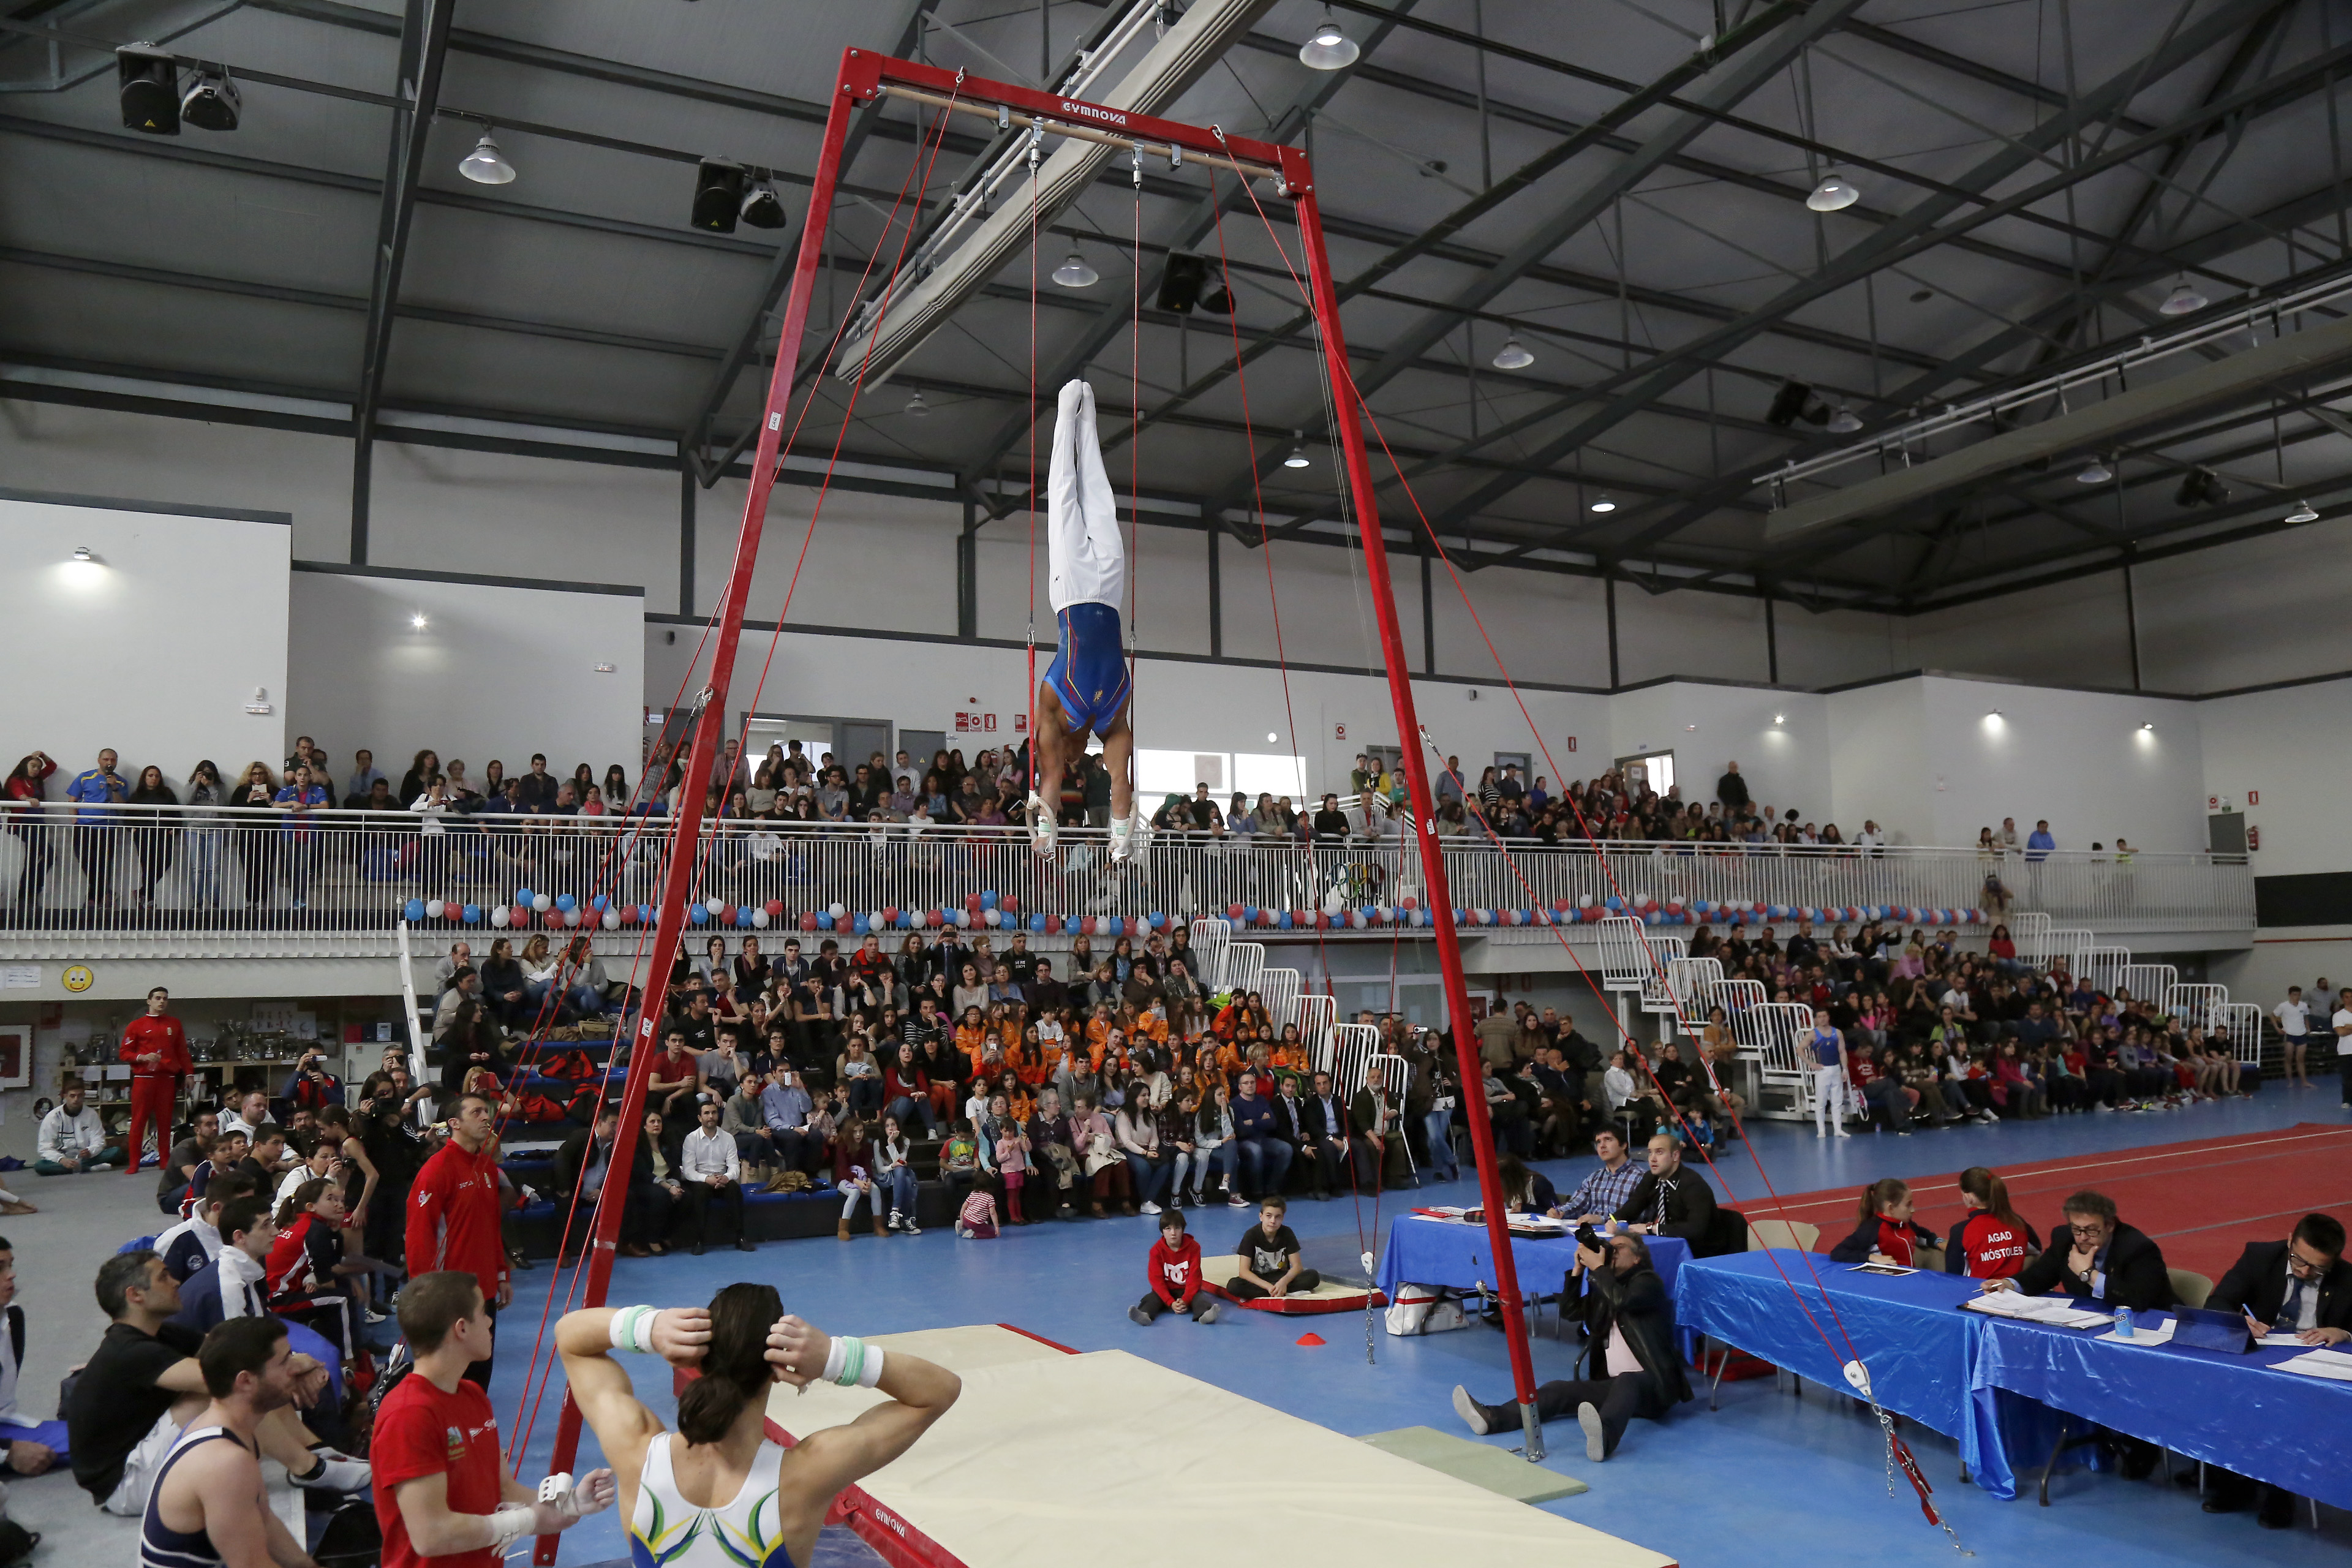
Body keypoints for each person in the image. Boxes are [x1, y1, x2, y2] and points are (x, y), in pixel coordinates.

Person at [554, 1285, 959, 1568]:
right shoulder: (808, 1472)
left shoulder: (635, 1450)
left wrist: (650, 1327)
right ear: (779, 1368)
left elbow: (570, 1337)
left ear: (697, 1359)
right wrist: (834, 1358)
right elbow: (938, 1392)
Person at [67, 1250, 365, 1516]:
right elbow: (230, 1376)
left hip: (145, 1453)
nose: (176, 1282)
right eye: (164, 1277)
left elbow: (240, 1352)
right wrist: (297, 1365)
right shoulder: (128, 1350)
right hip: (126, 1484)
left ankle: (314, 1449)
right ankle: (307, 1468)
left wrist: (295, 1362)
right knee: (235, 1386)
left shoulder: (161, 1333)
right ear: (135, 1295)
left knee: (242, 1369)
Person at [377, 1272, 616, 1568]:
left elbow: (504, 1490)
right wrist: (527, 1520)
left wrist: (571, 1504)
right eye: (483, 1313)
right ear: (461, 1328)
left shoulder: (472, 1395)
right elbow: (432, 1535)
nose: (490, 1322)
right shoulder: (409, 1416)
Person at [1027, 380, 1144, 864]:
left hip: (1072, 591)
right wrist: (1121, 836)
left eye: (1070, 759)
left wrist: (1045, 831)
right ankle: (1090, 416)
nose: (1074, 761)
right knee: (1099, 497)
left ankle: (1065, 413)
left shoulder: (1053, 712)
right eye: (1079, 760)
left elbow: (1050, 776)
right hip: (1111, 594)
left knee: (1063, 499)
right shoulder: (1114, 718)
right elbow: (1121, 781)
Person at [1451, 1229, 1690, 1459]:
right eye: (1610, 1247)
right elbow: (1571, 1311)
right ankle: (1493, 1418)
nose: (1612, 1251)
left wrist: (1598, 1269)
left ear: (1638, 1258)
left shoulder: (1648, 1282)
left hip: (1655, 1387)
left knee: (1629, 1380)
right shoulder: (1605, 1287)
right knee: (1558, 1390)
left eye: (1619, 1247)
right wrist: (1578, 1272)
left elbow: (1622, 1300)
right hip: (1614, 1386)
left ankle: (1604, 1439)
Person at [2194, 1213, 2352, 1525]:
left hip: (2309, 1367)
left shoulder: (2348, 1278)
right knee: (2226, 1392)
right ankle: (2234, 1481)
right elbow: (2218, 1302)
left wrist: (2344, 1332)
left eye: (2318, 1268)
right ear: (2290, 1239)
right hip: (2258, 1356)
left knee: (2289, 1404)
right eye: (2299, 1261)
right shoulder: (2260, 1256)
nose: (2305, 1272)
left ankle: (2280, 1492)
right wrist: (2239, 1321)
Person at [138, 1317, 328, 1568]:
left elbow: (264, 1519)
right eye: (285, 1361)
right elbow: (252, 1565)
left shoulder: (227, 1430)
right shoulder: (225, 1462)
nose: (296, 1369)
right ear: (246, 1381)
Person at [405, 1091, 511, 1388]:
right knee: (449, 1380)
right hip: (449, 1294)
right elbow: (419, 1235)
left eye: (487, 1111)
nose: (486, 1117)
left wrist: (502, 1273)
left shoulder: (488, 1168)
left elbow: (491, 1227)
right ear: (455, 1123)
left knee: (479, 1376)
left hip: (484, 1290)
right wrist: (425, 1292)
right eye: (477, 1112)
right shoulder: (436, 1170)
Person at [0, 1238, 64, 1476]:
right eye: (0, 1268)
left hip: (4, 1425)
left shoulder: (12, 1316)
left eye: (10, 1265)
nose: (12, 1275)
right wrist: (8, 1453)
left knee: (101, 1437)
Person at [119, 985, 192, 1175]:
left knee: (165, 1122)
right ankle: (134, 1163)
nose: (162, 1002)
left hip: (167, 1079)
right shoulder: (136, 1025)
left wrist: (189, 1074)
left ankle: (165, 1160)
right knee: (138, 1121)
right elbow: (124, 1053)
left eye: (165, 999)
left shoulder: (174, 1024)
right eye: (158, 998)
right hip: (143, 1079)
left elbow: (182, 1052)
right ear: (149, 1001)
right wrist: (142, 1057)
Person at [677, 1101, 755, 1257]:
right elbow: (688, 1171)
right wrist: (707, 1179)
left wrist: (725, 1178)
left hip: (722, 1179)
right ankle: (699, 1240)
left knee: (735, 1189)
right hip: (701, 1181)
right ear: (700, 1118)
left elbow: (735, 1167)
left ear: (718, 1115)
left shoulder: (728, 1138)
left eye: (714, 1112)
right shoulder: (691, 1139)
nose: (711, 1116)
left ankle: (740, 1237)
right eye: (706, 1113)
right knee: (700, 1192)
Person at [1611, 1134, 1718, 1246]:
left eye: (1659, 1152)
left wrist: (1651, 1229)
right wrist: (1614, 1220)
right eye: (1650, 1153)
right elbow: (1632, 1207)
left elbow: (1696, 1229)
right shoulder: (1651, 1178)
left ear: (1675, 1156)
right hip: (1670, 1243)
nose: (1652, 1159)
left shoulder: (1693, 1184)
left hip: (1701, 1249)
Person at [1130, 1208, 1219, 1324]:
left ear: (1183, 1230)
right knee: (1151, 1299)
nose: (1173, 1233)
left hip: (1187, 1290)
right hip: (1166, 1292)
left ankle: (1205, 1315)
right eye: (1168, 1229)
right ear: (1162, 1232)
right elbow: (1156, 1280)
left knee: (1200, 1299)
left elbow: (1195, 1277)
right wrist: (1170, 1302)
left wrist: (1186, 1300)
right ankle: (1144, 1315)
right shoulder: (1156, 1251)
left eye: (1177, 1228)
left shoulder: (1194, 1247)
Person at [1829, 1178, 1942, 1268]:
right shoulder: (1871, 1229)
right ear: (1891, 1208)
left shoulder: (1906, 1224)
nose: (1913, 1210)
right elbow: (1838, 1252)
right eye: (1908, 1205)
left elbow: (1924, 1235)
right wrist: (1871, 1257)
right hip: (1886, 1283)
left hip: (1910, 1278)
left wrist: (1938, 1242)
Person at [1225, 1196, 1320, 1302]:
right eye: (1269, 1216)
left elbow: (1297, 1267)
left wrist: (1283, 1283)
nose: (1273, 1221)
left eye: (1277, 1217)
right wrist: (1269, 1287)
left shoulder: (1287, 1233)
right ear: (1261, 1217)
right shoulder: (1251, 1235)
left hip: (1281, 1277)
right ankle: (1283, 1292)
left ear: (1282, 1218)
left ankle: (1272, 1292)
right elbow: (1244, 1272)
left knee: (1313, 1276)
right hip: (1259, 1279)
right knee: (1234, 1286)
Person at [1555, 1128, 1645, 1221]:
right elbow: (1577, 1205)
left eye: (1608, 1139)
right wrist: (1560, 1212)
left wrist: (1602, 1220)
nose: (1602, 1146)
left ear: (1624, 1145)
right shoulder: (1594, 1178)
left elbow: (1641, 1217)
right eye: (1598, 1142)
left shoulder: (1640, 1178)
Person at [36, 1081, 125, 1175]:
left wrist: (90, 1151)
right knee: (40, 1166)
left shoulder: (91, 1114)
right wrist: (61, 1160)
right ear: (65, 1096)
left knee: (116, 1152)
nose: (76, 1099)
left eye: (80, 1096)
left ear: (84, 1096)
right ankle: (88, 1168)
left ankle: (78, 1167)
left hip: (85, 1157)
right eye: (72, 1096)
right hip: (63, 1158)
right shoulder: (53, 1117)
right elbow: (44, 1147)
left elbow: (99, 1140)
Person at [1804, 1006, 1849, 1139]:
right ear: (1816, 1019)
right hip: (1822, 1070)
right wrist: (1811, 1063)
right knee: (1821, 1102)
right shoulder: (1813, 1034)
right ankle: (1821, 1130)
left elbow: (1842, 1051)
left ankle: (1838, 1129)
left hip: (1836, 1069)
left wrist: (1844, 1069)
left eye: (1824, 1016)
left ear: (1828, 1017)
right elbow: (1799, 1049)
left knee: (1837, 1101)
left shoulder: (1838, 1033)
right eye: (1820, 1017)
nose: (1823, 1019)